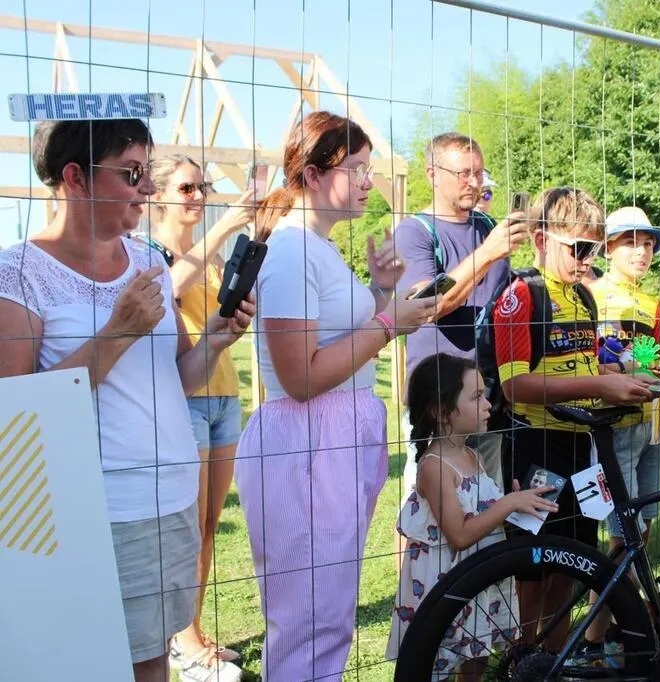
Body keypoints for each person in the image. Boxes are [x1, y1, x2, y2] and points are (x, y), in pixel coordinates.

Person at [0, 118, 253, 682]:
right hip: (100, 509)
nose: (145, 188)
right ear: (75, 178)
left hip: (171, 498)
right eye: (132, 173)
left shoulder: (148, 262)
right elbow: (17, 416)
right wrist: (116, 333)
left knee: (154, 659)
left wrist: (214, 340)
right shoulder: (18, 273)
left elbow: (175, 378)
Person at [232, 111, 438, 681]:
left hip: (326, 446)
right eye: (359, 168)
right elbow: (298, 377)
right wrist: (389, 322)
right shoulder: (294, 252)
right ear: (317, 173)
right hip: (306, 448)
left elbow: (334, 345)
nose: (370, 181)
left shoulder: (316, 248)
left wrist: (377, 292)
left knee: (325, 614)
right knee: (308, 619)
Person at [492, 187, 655, 648]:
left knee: (577, 557)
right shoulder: (521, 295)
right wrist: (600, 385)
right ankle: (525, 659)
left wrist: (619, 372)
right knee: (532, 564)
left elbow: (581, 365)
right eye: (578, 249)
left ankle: (557, 655)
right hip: (536, 444)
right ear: (541, 239)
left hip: (582, 445)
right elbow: (515, 386)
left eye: (594, 249)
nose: (587, 260)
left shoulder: (584, 298)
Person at [145, 154, 257, 672]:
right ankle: (183, 640)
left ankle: (190, 630)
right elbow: (168, 287)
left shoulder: (211, 260)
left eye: (202, 187)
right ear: (158, 193)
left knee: (209, 521)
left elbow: (216, 320)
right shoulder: (147, 252)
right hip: (182, 397)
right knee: (187, 523)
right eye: (187, 188)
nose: (198, 197)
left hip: (224, 394)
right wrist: (225, 227)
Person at [385, 352, 558, 676]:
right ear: (441, 411)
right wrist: (507, 504)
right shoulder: (435, 468)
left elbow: (480, 516)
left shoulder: (473, 456)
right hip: (443, 586)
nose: (488, 404)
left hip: (477, 580)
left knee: (475, 655)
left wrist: (514, 504)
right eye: (476, 396)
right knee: (435, 664)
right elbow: (459, 535)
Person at [395, 132, 528, 499]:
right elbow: (428, 306)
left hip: (488, 396)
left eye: (480, 173)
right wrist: (488, 253)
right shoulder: (413, 233)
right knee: (426, 512)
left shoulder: (487, 228)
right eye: (464, 173)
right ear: (432, 173)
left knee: (485, 504)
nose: (474, 182)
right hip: (440, 400)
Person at [579, 206, 660, 663]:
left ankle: (615, 626)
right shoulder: (591, 294)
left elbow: (649, 359)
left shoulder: (651, 302)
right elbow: (585, 361)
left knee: (643, 529)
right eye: (631, 241)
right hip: (612, 428)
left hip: (650, 427)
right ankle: (596, 636)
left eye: (649, 242)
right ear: (608, 248)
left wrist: (657, 372)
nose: (642, 251)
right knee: (620, 535)